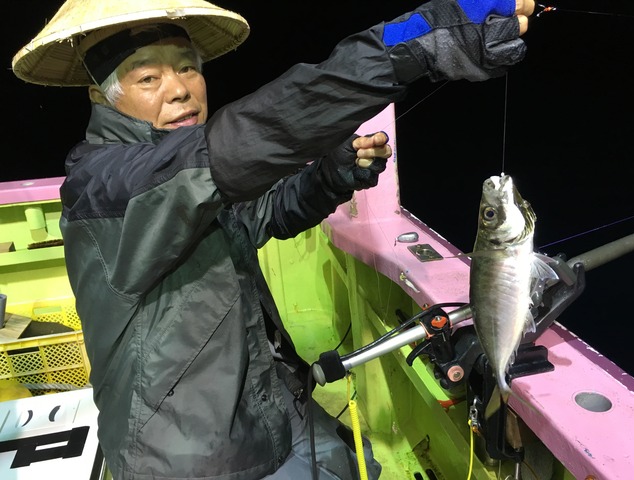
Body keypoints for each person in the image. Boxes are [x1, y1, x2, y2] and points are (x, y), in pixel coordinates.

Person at [12, 0, 535, 478]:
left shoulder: (188, 182)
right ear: (100, 97)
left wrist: (331, 176)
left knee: (356, 461)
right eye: (148, 77)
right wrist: (405, 47)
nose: (179, 89)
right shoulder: (105, 185)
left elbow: (263, 214)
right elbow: (242, 140)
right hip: (187, 456)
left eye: (188, 67)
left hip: (268, 404)